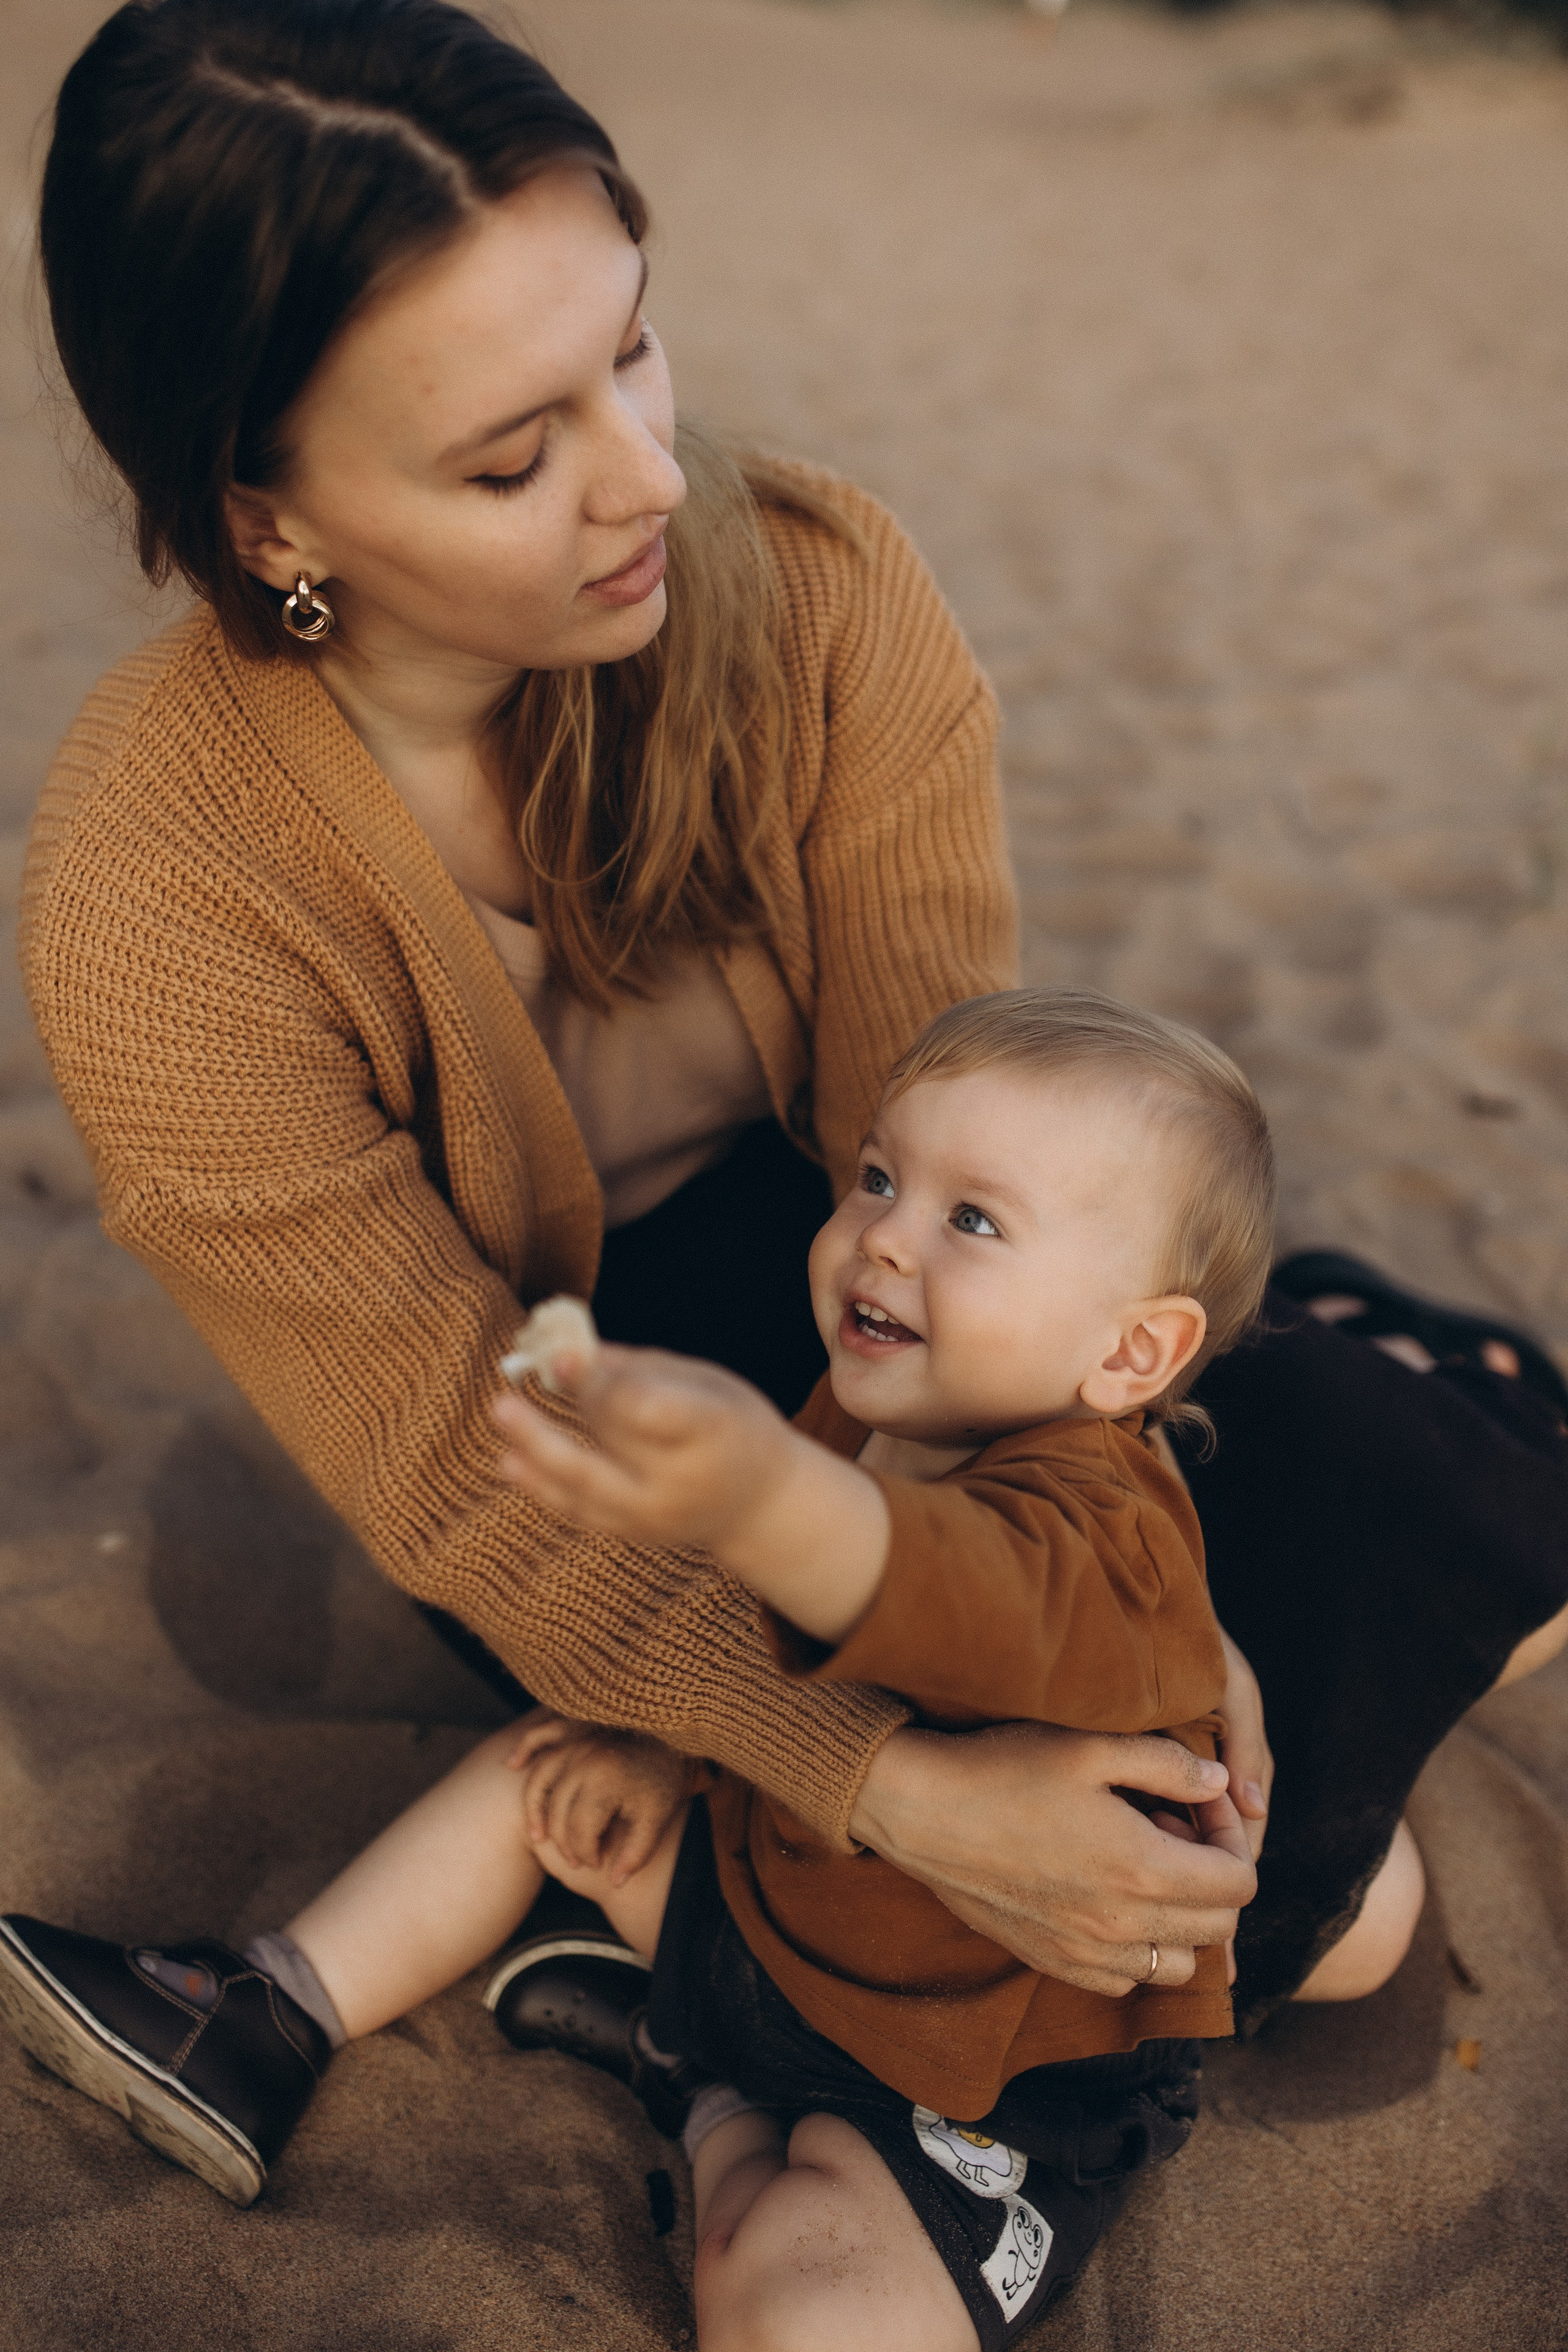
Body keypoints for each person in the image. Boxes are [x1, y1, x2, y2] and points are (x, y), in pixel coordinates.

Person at [6, 0, 1566, 2291]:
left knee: (1419, 1491)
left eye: (636, 350)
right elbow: (453, 1458)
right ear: (270, 513)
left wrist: (1135, 1601)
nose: (645, 473)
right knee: (1272, 1808)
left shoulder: (818, 598)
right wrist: (892, 1787)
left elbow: (964, 1151)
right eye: (511, 455)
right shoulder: (163, 896)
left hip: (924, 1324)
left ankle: (1333, 1416)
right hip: (571, 1442)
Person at [8, 987, 1401, 2348]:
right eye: (874, 1180)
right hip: (769, 1902)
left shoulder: (1088, 1532)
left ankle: (696, 2093)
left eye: (971, 1220)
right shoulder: (885, 1405)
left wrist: (754, 1494)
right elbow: (754, 1644)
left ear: (1129, 1351)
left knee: (796, 2305)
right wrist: (670, 1742)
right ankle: (269, 2006)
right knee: (552, 1767)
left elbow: (931, 1583)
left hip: (972, 2079)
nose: (882, 1243)